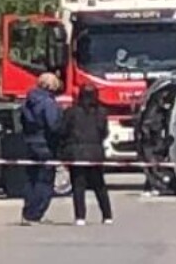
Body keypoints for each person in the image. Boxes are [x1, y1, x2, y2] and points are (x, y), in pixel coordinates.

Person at [60, 84, 113, 226]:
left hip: (76, 152)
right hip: (96, 152)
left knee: (78, 185)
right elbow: (104, 132)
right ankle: (107, 215)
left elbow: (63, 130)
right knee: (99, 185)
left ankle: (80, 217)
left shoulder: (71, 112)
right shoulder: (101, 112)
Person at [20, 72, 63, 225]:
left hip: (29, 143)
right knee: (44, 181)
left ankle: (27, 212)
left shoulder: (27, 101)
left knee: (31, 179)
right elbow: (53, 125)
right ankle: (36, 213)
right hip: (45, 145)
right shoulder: (48, 103)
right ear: (51, 86)